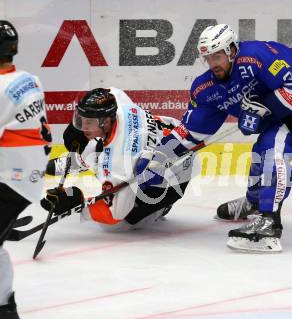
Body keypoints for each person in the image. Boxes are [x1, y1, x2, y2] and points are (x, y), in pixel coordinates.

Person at [137, 24, 292, 253]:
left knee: (274, 142)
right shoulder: (206, 88)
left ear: (231, 50)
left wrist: (264, 110)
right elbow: (192, 131)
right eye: (207, 58)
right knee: (264, 145)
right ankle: (255, 202)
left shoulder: (258, 56)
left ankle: (269, 223)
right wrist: (160, 155)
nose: (213, 64)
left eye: (217, 56)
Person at [41, 87, 192, 230]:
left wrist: (78, 204)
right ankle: (77, 162)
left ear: (106, 121)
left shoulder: (119, 161)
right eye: (81, 119)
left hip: (172, 178)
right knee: (97, 142)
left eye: (88, 122)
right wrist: (76, 127)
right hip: (175, 134)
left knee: (117, 226)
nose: (83, 125)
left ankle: (160, 209)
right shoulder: (117, 104)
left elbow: (115, 213)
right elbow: (110, 91)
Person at [0, 20, 51, 319]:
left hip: (11, 179)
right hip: (24, 178)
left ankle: (5, 312)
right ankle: (5, 312)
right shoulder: (28, 79)